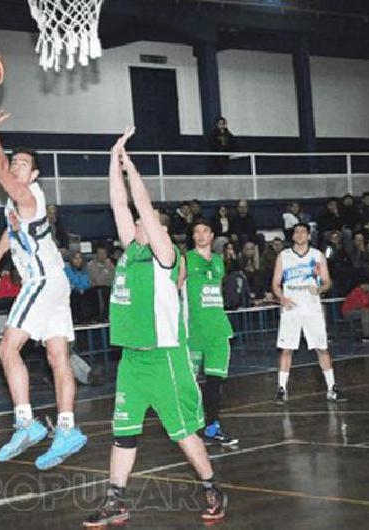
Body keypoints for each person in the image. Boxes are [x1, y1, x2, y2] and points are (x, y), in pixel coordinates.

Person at [84, 127, 226, 526]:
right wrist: (113, 159)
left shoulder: (167, 256)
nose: (142, 224)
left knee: (182, 434)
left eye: (152, 223)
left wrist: (133, 169)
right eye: (144, 224)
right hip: (133, 359)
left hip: (166, 359)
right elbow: (119, 206)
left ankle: (213, 487)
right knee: (123, 434)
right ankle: (115, 500)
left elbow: (141, 205)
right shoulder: (133, 251)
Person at [0, 105, 87, 470]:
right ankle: (67, 429)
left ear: (34, 173)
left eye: (22, 163)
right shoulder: (16, 203)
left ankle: (26, 423)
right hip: (56, 283)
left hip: (42, 281)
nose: (15, 165)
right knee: (58, 357)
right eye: (15, 161)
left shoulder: (29, 195)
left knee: (7, 349)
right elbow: (11, 231)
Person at [272, 223, 346, 404]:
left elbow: (328, 282)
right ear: (293, 236)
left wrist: (319, 289)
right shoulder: (284, 256)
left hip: (312, 308)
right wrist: (282, 297)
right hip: (291, 309)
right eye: (296, 231)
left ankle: (332, 388)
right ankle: (282, 389)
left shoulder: (317, 256)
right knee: (286, 348)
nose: (299, 234)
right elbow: (275, 283)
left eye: (303, 231)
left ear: (309, 235)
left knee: (322, 348)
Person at [180, 220, 238, 447]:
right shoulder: (185, 260)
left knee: (215, 382)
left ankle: (213, 426)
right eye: (197, 232)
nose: (201, 235)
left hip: (218, 329)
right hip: (192, 331)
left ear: (212, 235)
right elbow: (174, 288)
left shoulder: (218, 261)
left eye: (205, 231)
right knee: (189, 382)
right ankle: (187, 425)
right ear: (193, 237)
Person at [86, 246, 115, 321]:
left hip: (109, 288)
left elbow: (114, 279)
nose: (102, 255)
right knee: (101, 291)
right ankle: (101, 316)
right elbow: (99, 281)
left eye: (104, 253)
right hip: (95, 290)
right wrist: (106, 269)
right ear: (96, 255)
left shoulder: (111, 265)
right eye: (100, 253)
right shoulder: (91, 265)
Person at [65, 251, 93, 324]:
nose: (78, 260)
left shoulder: (85, 270)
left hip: (84, 291)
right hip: (72, 291)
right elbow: (72, 281)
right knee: (76, 295)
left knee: (91, 293)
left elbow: (87, 282)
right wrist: (79, 287)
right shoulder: (67, 270)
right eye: (76, 258)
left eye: (80, 258)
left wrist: (82, 288)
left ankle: (89, 317)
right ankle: (77, 318)